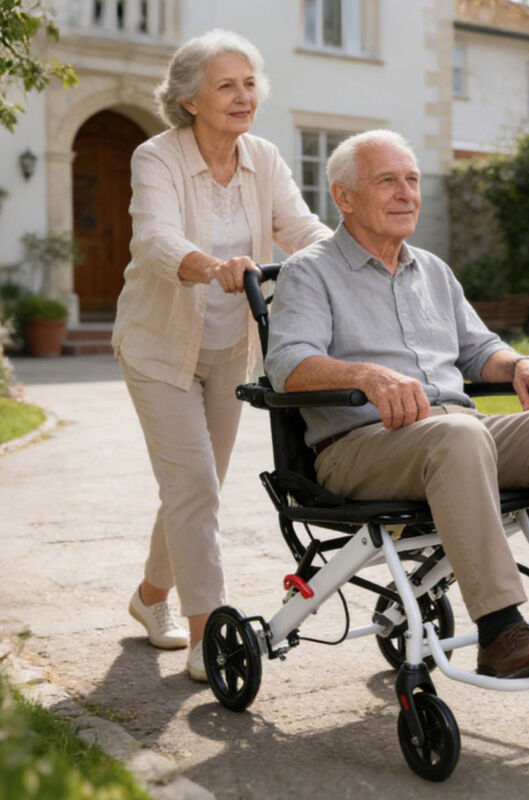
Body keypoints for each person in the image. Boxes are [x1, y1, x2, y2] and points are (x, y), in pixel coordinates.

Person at [265, 130, 529, 679]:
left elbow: (480, 350)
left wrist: (521, 365)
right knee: (459, 435)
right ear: (344, 197)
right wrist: (365, 374)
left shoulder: (433, 270)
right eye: (387, 181)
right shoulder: (308, 271)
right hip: (360, 447)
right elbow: (286, 363)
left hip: (457, 435)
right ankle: (501, 630)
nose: (406, 193)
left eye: (412, 180)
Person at [112, 29, 330, 681]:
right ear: (189, 100)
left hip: (231, 349)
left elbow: (302, 229)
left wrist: (347, 264)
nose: (244, 96)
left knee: (193, 489)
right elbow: (154, 238)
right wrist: (212, 267)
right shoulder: (157, 157)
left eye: (250, 83)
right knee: (195, 487)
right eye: (226, 85)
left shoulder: (264, 156)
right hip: (158, 348)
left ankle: (151, 598)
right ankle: (211, 634)